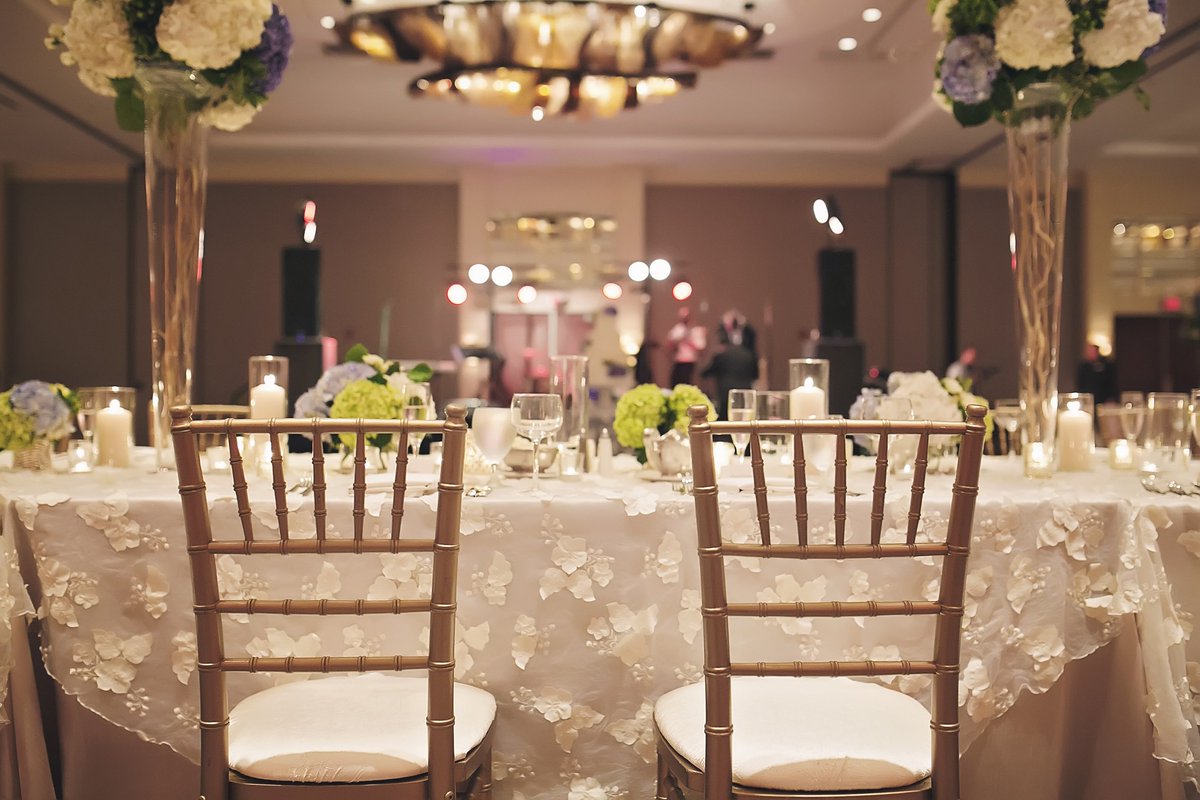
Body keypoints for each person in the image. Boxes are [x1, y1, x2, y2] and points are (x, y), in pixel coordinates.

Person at [702, 341, 759, 419]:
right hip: (745, 393)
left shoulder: (722, 355)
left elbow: (707, 372)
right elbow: (755, 375)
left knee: (724, 421)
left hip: (726, 393)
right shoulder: (749, 354)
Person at [667, 307, 707, 386]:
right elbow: (669, 344)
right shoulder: (677, 329)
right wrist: (679, 340)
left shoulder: (696, 330)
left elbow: (701, 348)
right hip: (679, 361)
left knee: (687, 383)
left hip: (690, 362)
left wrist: (689, 340)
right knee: (675, 382)